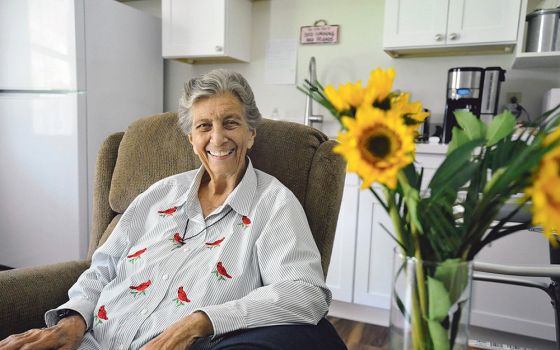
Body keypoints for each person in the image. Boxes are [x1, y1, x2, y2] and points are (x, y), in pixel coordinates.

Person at [0, 69, 347, 350]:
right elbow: (102, 266)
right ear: (191, 140)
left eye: (230, 123)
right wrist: (73, 319)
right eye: (204, 126)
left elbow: (305, 292)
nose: (217, 138)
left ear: (251, 133)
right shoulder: (160, 193)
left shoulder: (273, 204)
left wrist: (203, 320)